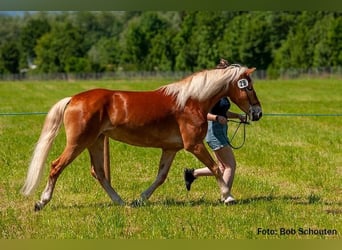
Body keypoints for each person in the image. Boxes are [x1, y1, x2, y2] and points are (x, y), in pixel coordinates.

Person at [184, 89, 246, 205]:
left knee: (222, 168)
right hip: (214, 131)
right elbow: (201, 113)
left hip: (220, 130)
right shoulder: (210, 94)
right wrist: (216, 118)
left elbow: (223, 113)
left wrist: (238, 116)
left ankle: (192, 174)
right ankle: (226, 197)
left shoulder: (222, 94)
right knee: (230, 165)